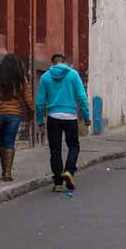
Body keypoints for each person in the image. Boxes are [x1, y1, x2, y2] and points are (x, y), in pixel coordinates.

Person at [35, 53, 91, 192]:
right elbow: (82, 97)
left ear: (52, 63)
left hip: (53, 117)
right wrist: (86, 116)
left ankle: (58, 183)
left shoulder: (45, 77)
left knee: (55, 150)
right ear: (64, 62)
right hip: (70, 117)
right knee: (74, 146)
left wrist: (40, 120)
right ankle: (69, 170)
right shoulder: (73, 75)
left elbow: (39, 102)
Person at [0, 53, 36, 181]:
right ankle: (7, 173)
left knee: (2, 141)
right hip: (14, 115)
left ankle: (4, 169)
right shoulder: (21, 79)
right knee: (9, 142)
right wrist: (31, 114)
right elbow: (28, 99)